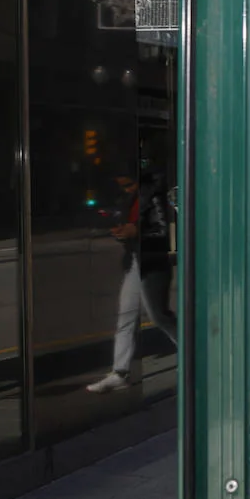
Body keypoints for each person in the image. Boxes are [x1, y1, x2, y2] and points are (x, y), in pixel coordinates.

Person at [87, 168, 178, 392]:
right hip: (135, 260)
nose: (126, 189)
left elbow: (163, 231)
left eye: (129, 185)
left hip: (153, 261)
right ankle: (120, 372)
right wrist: (120, 231)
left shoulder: (155, 196)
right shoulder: (129, 199)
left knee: (159, 315)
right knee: (126, 315)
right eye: (123, 186)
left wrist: (135, 231)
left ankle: (194, 356)